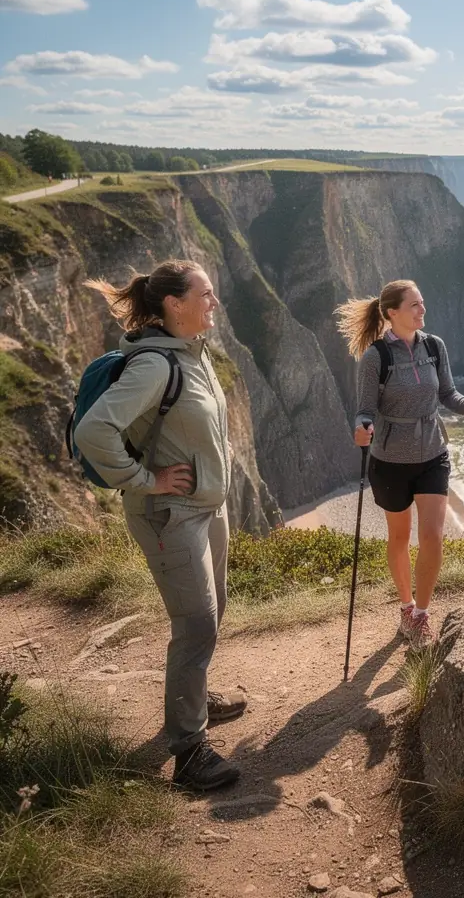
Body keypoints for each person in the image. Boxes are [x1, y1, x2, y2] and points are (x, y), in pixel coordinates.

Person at [74, 260, 245, 792]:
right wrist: (145, 478)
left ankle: (193, 702)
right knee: (196, 626)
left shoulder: (193, 355)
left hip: (205, 509)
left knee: (211, 612)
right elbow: (92, 431)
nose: (214, 301)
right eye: (206, 293)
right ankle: (189, 756)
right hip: (170, 516)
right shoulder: (155, 366)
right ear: (174, 303)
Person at [336, 280, 464, 649]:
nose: (422, 311)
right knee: (400, 537)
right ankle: (405, 607)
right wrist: (361, 428)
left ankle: (421, 615)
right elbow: (364, 410)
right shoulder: (376, 356)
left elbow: (447, 394)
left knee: (433, 536)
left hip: (433, 454)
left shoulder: (435, 346)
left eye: (422, 303)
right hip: (390, 460)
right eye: (415, 306)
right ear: (392, 313)